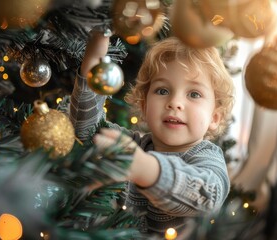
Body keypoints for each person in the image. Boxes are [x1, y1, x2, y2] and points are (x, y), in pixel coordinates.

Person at [69, 31, 235, 237]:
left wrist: (147, 170)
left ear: (215, 118)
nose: (175, 103)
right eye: (162, 91)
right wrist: (96, 49)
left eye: (194, 94)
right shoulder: (133, 145)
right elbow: (86, 127)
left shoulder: (207, 157)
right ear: (144, 106)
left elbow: (209, 196)